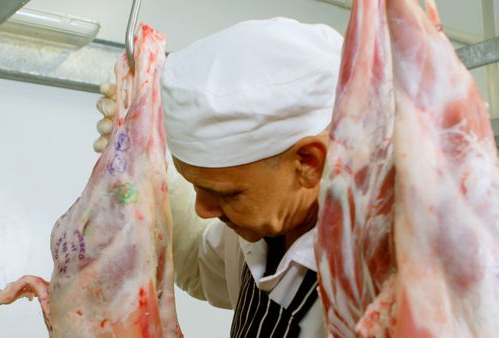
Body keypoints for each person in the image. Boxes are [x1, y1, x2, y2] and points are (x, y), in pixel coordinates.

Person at [95, 17, 342, 337]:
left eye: (226, 193)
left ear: (308, 162)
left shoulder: (373, 275)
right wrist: (147, 167)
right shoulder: (269, 216)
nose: (202, 209)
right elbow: (201, 263)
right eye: (196, 185)